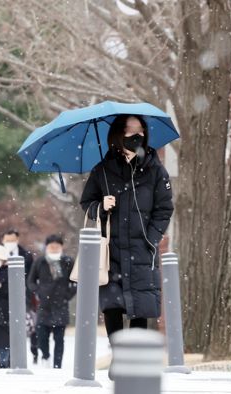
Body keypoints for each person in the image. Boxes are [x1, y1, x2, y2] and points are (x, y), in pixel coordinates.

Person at [79, 114, 174, 339]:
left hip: (142, 250)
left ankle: (132, 361)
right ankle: (119, 356)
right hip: (111, 250)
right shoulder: (102, 169)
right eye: (132, 130)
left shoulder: (155, 170)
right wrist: (101, 205)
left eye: (141, 130)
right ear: (119, 134)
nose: (138, 135)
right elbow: (87, 203)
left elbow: (164, 208)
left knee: (140, 308)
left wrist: (150, 238)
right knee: (112, 307)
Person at [27, 234, 76, 369]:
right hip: (44, 305)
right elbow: (30, 281)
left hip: (61, 305)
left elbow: (76, 281)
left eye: (57, 246)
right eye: (51, 246)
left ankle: (57, 365)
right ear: (46, 247)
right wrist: (38, 292)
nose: (54, 248)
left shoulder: (68, 261)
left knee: (59, 339)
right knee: (42, 336)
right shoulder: (40, 262)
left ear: (61, 247)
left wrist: (67, 295)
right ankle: (46, 356)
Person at [1, 229, 38, 363]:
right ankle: (8, 355)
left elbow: (31, 277)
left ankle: (29, 352)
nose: (10, 243)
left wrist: (29, 293)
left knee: (24, 325)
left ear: (17, 240)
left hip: (23, 296)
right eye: (7, 240)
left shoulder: (26, 256)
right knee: (6, 326)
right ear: (2, 240)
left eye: (12, 240)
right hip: (3, 297)